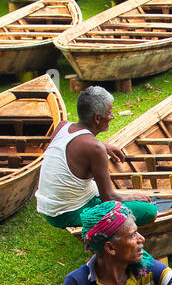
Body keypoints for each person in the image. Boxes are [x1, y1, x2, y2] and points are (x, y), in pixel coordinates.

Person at [37, 86, 157, 230]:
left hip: (49, 210)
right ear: (97, 119)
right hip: (69, 214)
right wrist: (133, 196)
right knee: (149, 211)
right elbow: (109, 197)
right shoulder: (94, 148)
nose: (112, 117)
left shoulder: (62, 127)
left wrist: (103, 145)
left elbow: (74, 147)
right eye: (110, 113)